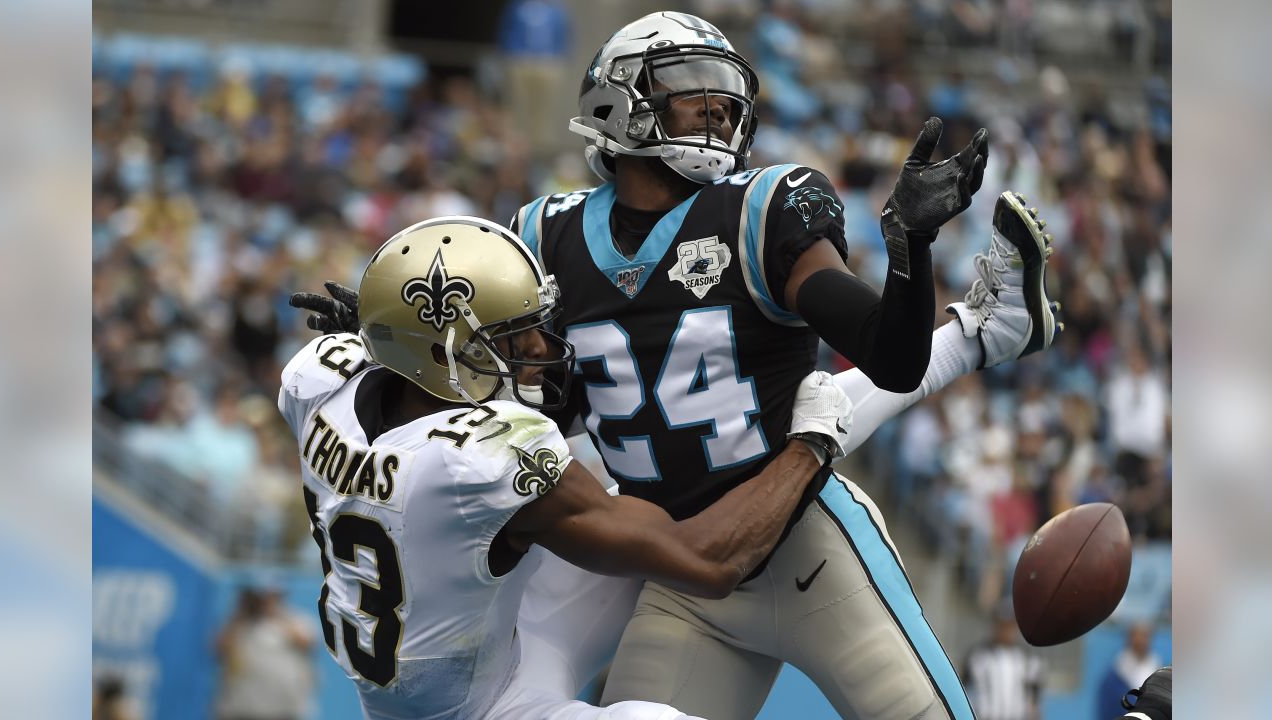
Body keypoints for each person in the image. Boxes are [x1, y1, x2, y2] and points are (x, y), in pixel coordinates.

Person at [291, 13, 1058, 718]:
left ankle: (984, 327)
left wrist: (909, 252)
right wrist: (386, 337)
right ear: (615, 103)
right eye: (692, 91)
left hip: (806, 546)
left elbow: (889, 356)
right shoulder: (544, 233)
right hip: (678, 569)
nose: (716, 109)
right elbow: (505, 373)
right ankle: (986, 328)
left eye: (726, 97)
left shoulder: (760, 209)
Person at [276, 215, 853, 720]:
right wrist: (808, 449)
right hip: (483, 707)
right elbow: (709, 562)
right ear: (440, 355)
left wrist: (380, 331)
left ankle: (949, 340)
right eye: (510, 337)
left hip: (425, 670)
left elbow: (378, 366)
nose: (536, 349)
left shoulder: (319, 376)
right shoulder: (477, 458)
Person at [213, 586, 317, 720]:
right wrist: (241, 614)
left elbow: (307, 644)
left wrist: (276, 614)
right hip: (240, 707)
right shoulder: (239, 623)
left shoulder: (296, 619)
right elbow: (219, 649)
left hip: (283, 709)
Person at [962, 605, 1044, 720]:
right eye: (1001, 625)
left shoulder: (1028, 659)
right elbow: (963, 689)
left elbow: (1034, 699)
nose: (1005, 631)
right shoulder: (977, 656)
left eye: (1009, 626)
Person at [1098, 623, 1163, 717]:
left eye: (1144, 636)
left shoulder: (1158, 671)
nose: (1141, 641)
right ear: (1129, 639)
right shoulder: (1115, 675)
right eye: (1137, 636)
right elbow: (1106, 710)